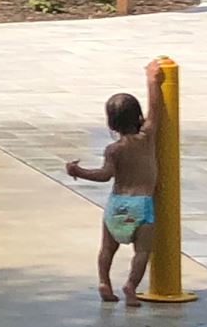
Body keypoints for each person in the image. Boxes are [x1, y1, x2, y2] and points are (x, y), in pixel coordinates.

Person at [66, 59, 166, 305]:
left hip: (117, 205)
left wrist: (78, 171)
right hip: (141, 206)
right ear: (138, 117)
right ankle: (131, 286)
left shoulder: (114, 149)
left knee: (107, 249)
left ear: (111, 123)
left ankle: (104, 282)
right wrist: (153, 79)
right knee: (142, 252)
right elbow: (156, 107)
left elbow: (104, 175)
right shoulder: (146, 136)